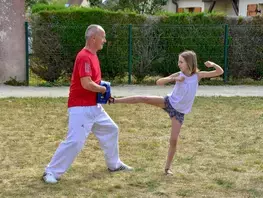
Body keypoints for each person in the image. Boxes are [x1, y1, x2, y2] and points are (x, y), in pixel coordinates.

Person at [108, 50, 224, 175]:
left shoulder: (198, 76)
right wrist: (174, 78)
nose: (178, 64)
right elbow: (159, 82)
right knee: (144, 98)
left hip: (178, 113)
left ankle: (167, 168)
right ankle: (114, 100)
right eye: (178, 61)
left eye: (181, 62)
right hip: (168, 102)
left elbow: (219, 72)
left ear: (189, 63)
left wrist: (212, 64)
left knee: (173, 141)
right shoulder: (179, 74)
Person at [43, 24, 133, 184]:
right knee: (75, 141)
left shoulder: (93, 55)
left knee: (111, 129)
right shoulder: (84, 56)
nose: (104, 41)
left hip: (94, 107)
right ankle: (50, 172)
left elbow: (94, 82)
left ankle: (114, 165)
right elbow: (86, 83)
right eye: (102, 37)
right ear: (93, 38)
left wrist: (103, 90)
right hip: (81, 107)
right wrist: (104, 90)